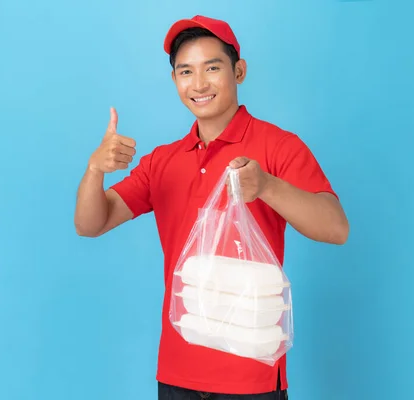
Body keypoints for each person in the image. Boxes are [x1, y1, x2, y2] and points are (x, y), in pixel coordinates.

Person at [74, 15, 349, 400]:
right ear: (174, 81)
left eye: (212, 68)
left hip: (251, 372)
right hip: (177, 370)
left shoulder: (278, 146)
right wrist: (94, 170)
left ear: (239, 71)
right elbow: (91, 224)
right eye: (185, 71)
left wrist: (267, 186)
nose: (199, 84)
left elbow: (336, 228)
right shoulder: (163, 161)